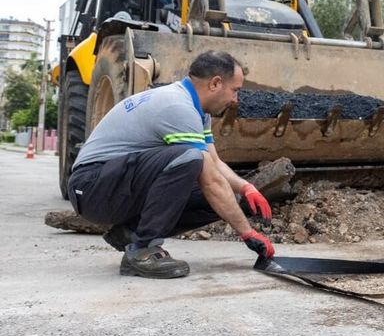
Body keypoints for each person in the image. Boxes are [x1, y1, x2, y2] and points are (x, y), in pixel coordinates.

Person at [67, 51, 275, 279]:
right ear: (216, 83)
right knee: (189, 158)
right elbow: (210, 178)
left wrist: (245, 188)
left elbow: (214, 163)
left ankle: (131, 233)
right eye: (235, 90)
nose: (236, 99)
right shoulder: (177, 107)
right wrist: (247, 233)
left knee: (227, 197)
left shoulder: (196, 110)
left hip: (115, 183)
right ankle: (142, 249)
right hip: (91, 187)